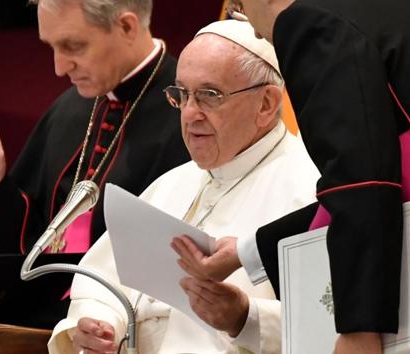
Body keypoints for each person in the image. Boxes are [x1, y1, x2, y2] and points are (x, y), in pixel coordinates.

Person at [172, 0, 410, 353]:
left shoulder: (311, 19)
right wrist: (245, 253)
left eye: (241, 6)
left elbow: (361, 183)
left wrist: (359, 328)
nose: (251, 27)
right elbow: (398, 180)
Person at [48, 19, 321, 354]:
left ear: (266, 104)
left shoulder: (311, 188)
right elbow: (101, 282)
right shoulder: (172, 183)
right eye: (182, 94)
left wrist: (245, 318)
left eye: (209, 95)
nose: (190, 113)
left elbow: (332, 321)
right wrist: (101, 324)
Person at [0, 0, 189, 255]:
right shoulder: (68, 108)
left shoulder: (189, 116)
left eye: (73, 46)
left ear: (126, 27)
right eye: (51, 46)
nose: (59, 68)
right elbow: (26, 246)